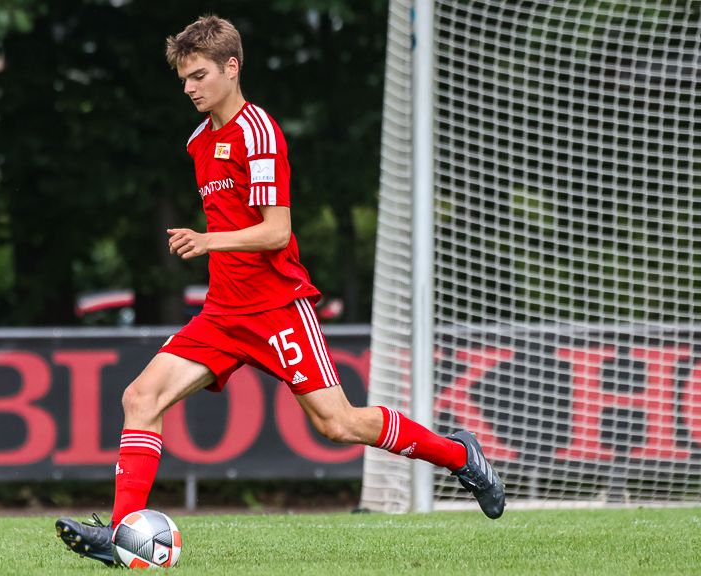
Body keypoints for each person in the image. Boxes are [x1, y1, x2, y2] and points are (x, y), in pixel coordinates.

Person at [56, 15, 505, 566]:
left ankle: (459, 455)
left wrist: (207, 241)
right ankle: (121, 532)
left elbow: (276, 231)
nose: (190, 88)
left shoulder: (258, 132)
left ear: (231, 67)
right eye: (183, 80)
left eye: (198, 75)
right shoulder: (200, 140)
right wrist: (213, 248)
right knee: (139, 397)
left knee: (338, 424)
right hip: (223, 314)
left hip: (277, 310)